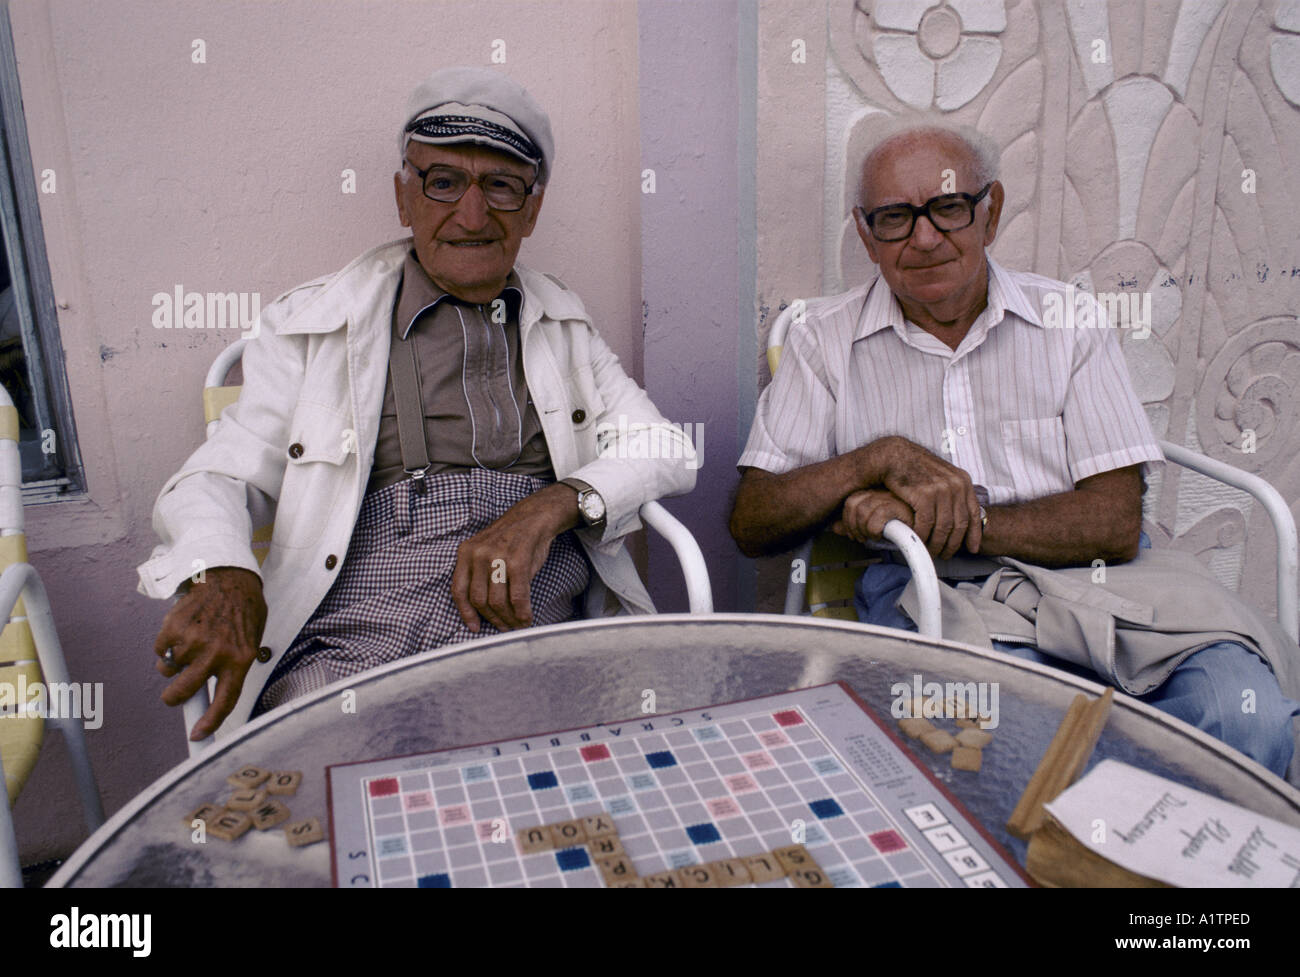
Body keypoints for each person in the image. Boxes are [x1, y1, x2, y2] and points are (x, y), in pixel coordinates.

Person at [730, 121, 1300, 780]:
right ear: (866, 235)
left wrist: (951, 520)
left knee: (1244, 717)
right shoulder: (822, 341)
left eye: (947, 208)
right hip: (933, 590)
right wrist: (873, 459)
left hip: (1106, 579)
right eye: (895, 217)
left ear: (990, 211)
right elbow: (754, 518)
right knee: (1016, 740)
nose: (924, 237)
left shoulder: (1069, 321)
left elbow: (1114, 522)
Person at [140, 67, 696, 739]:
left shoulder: (563, 321)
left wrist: (550, 506)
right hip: (359, 626)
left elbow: (666, 447)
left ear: (532, 209)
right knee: (318, 773)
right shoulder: (314, 322)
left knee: (556, 772)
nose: (471, 214)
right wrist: (223, 569)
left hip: (524, 611)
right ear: (404, 197)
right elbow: (217, 476)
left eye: (500, 185)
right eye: (443, 181)